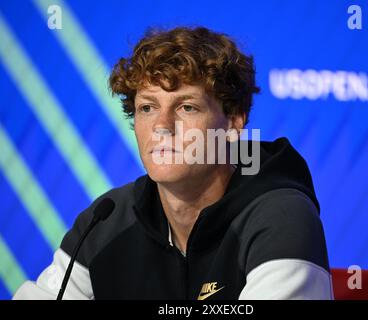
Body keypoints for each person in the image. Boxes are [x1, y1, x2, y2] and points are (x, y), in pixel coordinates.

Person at [13, 26, 333, 300]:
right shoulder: (107, 221)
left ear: (234, 120)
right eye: (147, 108)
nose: (162, 126)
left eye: (187, 107)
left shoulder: (280, 215)